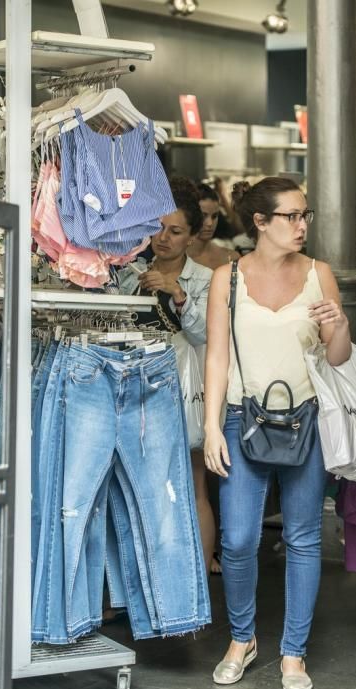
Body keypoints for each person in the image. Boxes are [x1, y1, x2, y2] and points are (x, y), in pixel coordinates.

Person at [204, 177, 352, 689]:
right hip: (242, 416)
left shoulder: (319, 274)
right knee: (239, 540)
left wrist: (340, 326)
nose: (301, 225)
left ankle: (294, 651)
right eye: (290, 216)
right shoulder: (227, 278)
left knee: (304, 538)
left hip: (305, 418)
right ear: (260, 222)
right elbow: (217, 356)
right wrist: (210, 425)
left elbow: (337, 358)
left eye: (305, 215)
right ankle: (242, 640)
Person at [118, 177, 216, 576]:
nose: (163, 238)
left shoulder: (205, 280)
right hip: (137, 388)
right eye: (158, 228)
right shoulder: (129, 273)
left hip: (185, 389)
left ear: (192, 237)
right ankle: (150, 576)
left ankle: (198, 574)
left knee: (194, 484)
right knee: (140, 484)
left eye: (175, 231)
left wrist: (179, 295)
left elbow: (204, 335)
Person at [188, 183, 239, 269]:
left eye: (214, 216)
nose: (210, 223)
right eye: (203, 216)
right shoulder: (173, 257)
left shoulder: (230, 258)